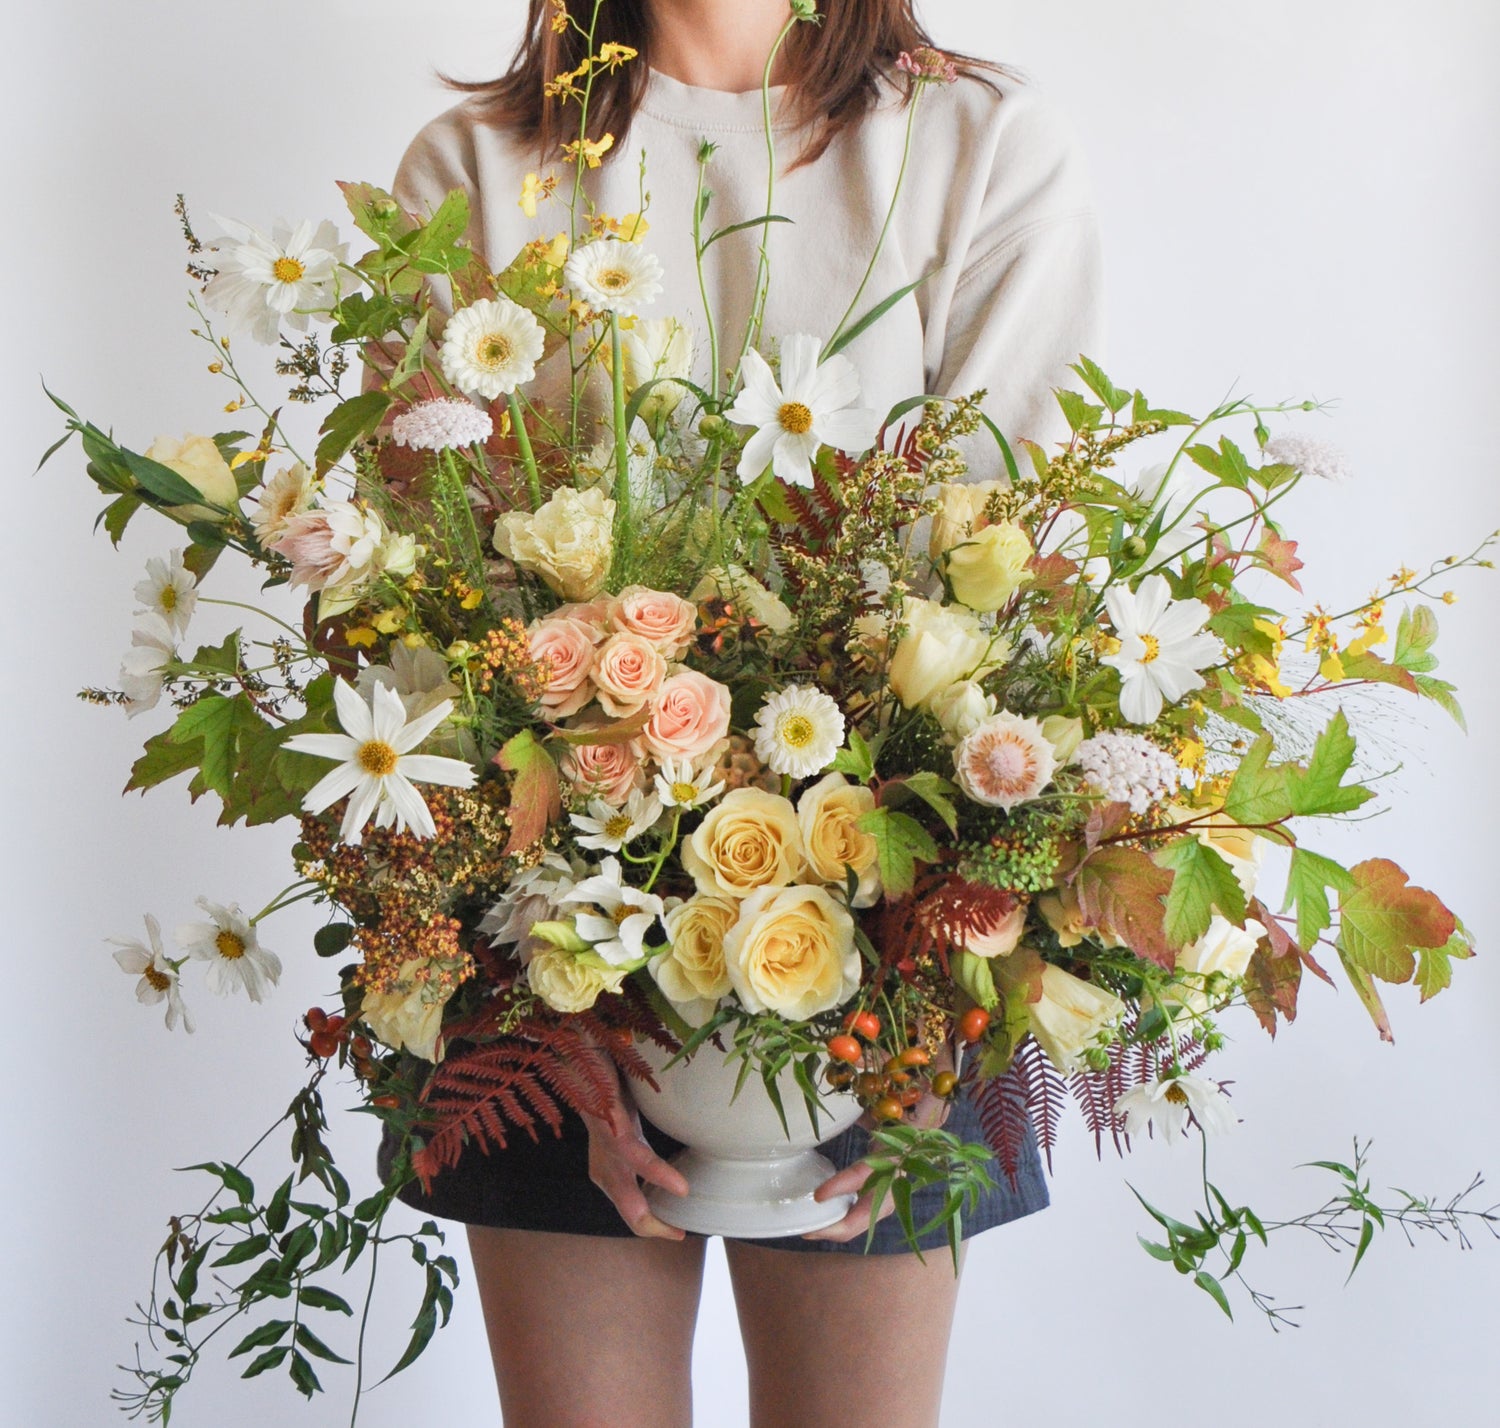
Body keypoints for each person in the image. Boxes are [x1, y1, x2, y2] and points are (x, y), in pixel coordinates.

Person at [385, 3, 1102, 1424]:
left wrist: (913, 1012)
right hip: (549, 952)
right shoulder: (474, 169)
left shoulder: (975, 146)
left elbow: (1023, 581)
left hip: (893, 940)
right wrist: (548, 1003)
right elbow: (417, 626)